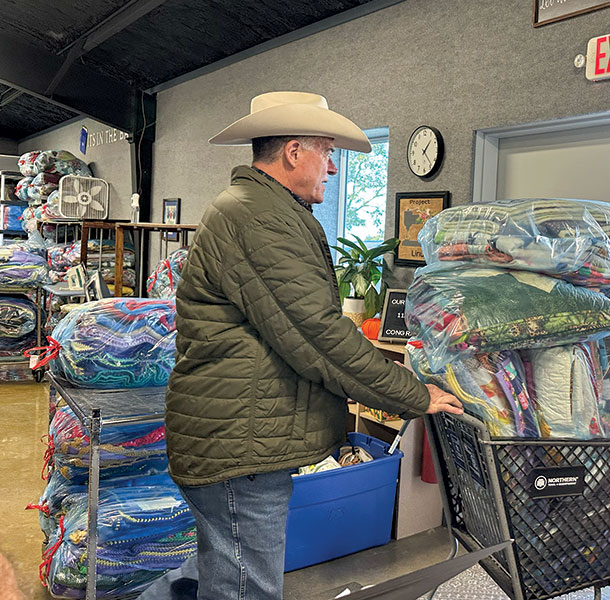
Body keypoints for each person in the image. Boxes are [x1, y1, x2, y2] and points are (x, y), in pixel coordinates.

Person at [159, 92, 463, 600]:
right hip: (241, 445)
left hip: (237, 437)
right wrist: (414, 394)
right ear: (294, 152)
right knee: (245, 589)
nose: (334, 169)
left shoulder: (260, 209)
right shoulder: (259, 218)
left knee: (222, 572)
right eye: (328, 153)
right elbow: (318, 337)